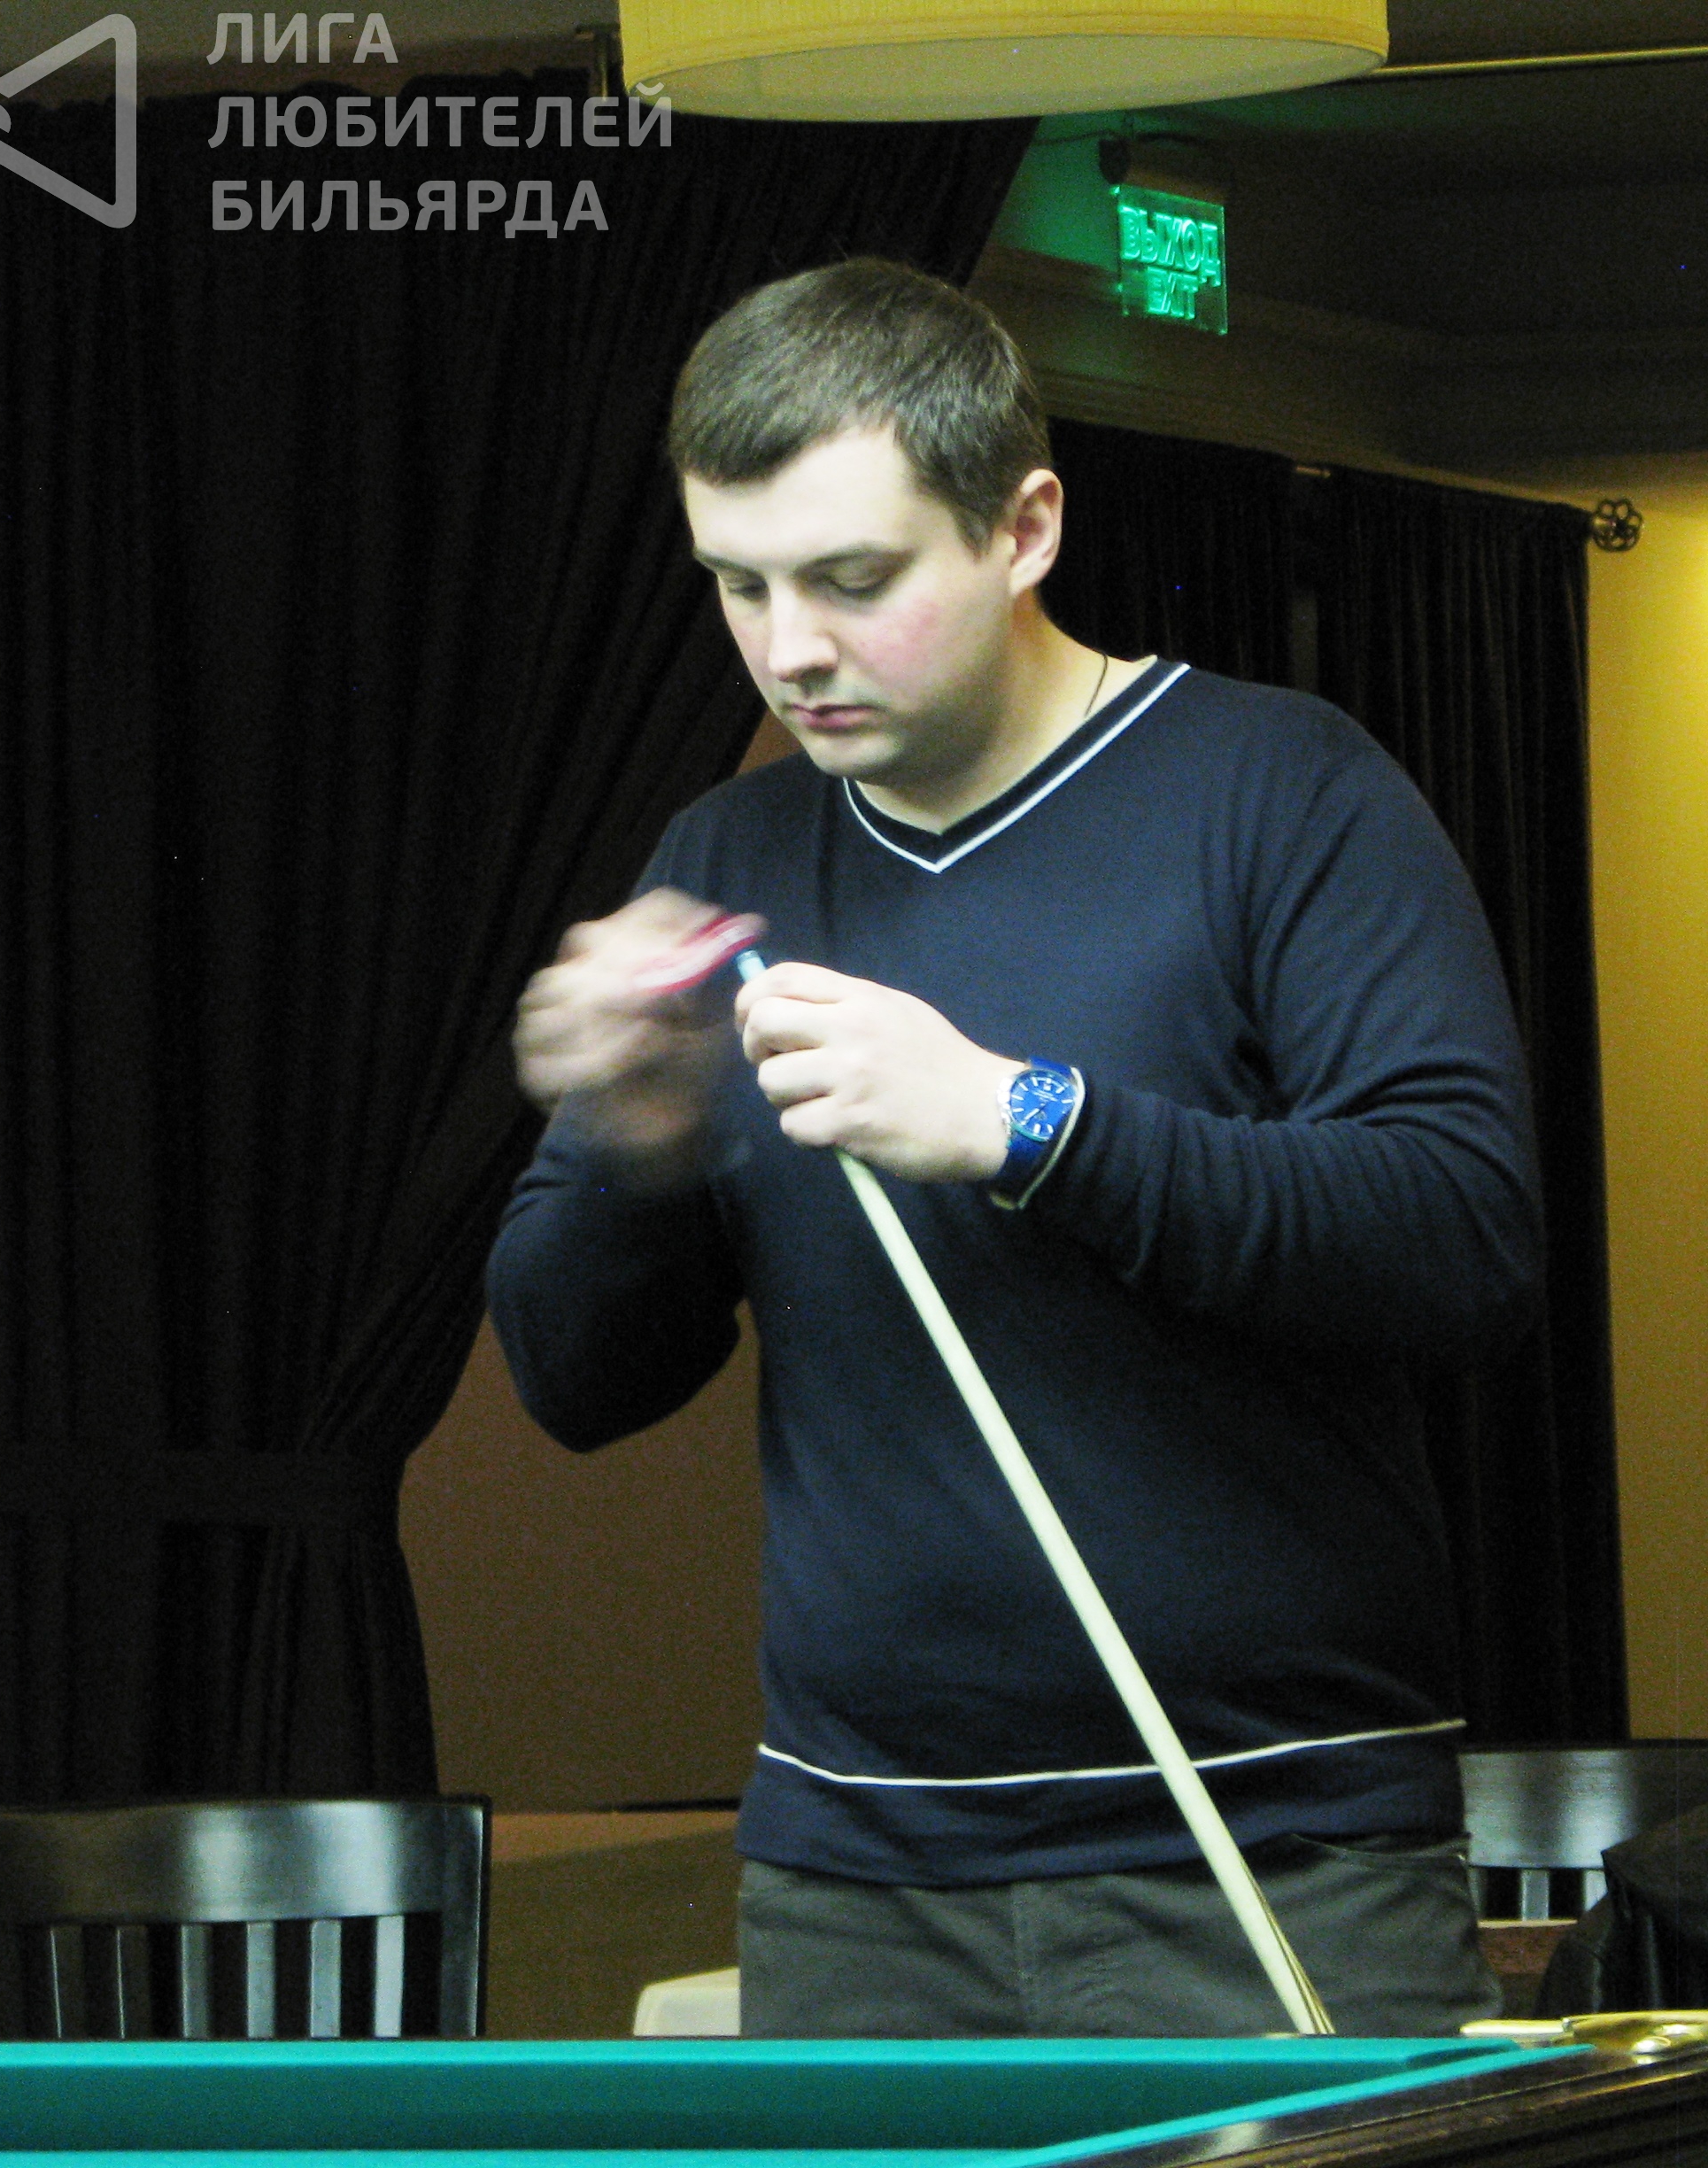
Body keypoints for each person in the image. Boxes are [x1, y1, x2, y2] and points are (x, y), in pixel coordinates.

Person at [487, 257, 1541, 2038]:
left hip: (1270, 1846)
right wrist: (635, 1142)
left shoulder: (1282, 791)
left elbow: (1463, 1236)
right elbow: (574, 1383)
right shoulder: (732, 858)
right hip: (855, 1878)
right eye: (739, 584)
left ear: (1024, 527)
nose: (790, 648)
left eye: (853, 579)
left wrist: (1024, 1122)